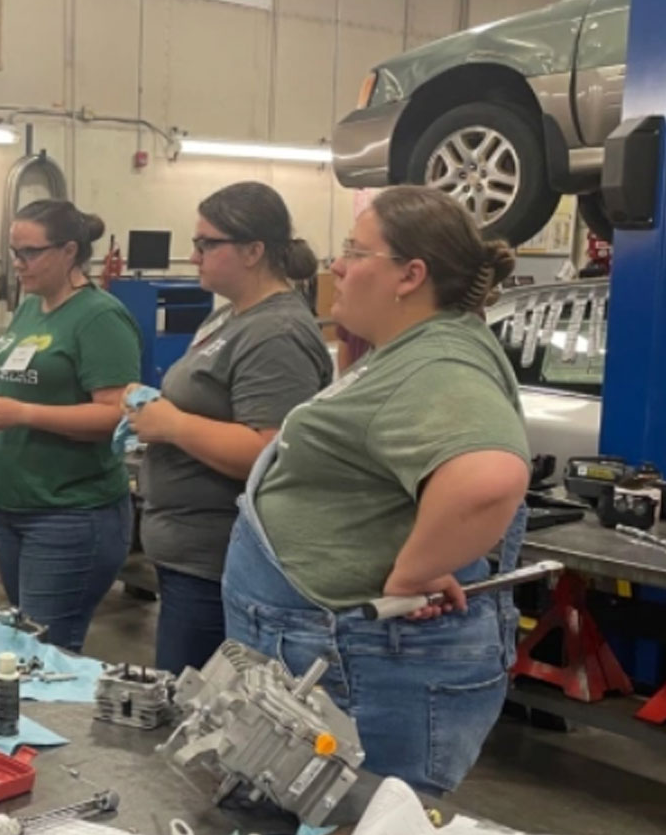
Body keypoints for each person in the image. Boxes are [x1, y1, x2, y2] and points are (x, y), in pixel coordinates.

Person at [222, 185, 531, 794]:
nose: (336, 266)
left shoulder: (438, 360)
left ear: (410, 275)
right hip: (340, 652)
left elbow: (488, 478)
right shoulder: (410, 350)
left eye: (355, 251)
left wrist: (412, 575)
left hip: (360, 665)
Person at [128, 183, 331, 673]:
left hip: (218, 564)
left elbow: (270, 452)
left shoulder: (276, 333)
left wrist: (173, 424)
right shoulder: (230, 318)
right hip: (187, 556)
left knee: (200, 716)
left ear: (253, 250)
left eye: (206, 244)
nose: (194, 257)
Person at [0, 199, 141, 651]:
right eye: (13, 252)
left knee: (44, 657)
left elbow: (119, 415)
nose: (18, 264)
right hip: (15, 506)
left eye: (29, 253)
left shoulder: (100, 317)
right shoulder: (30, 309)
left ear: (69, 252)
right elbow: (19, 383)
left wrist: (22, 414)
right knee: (24, 648)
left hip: (69, 514)